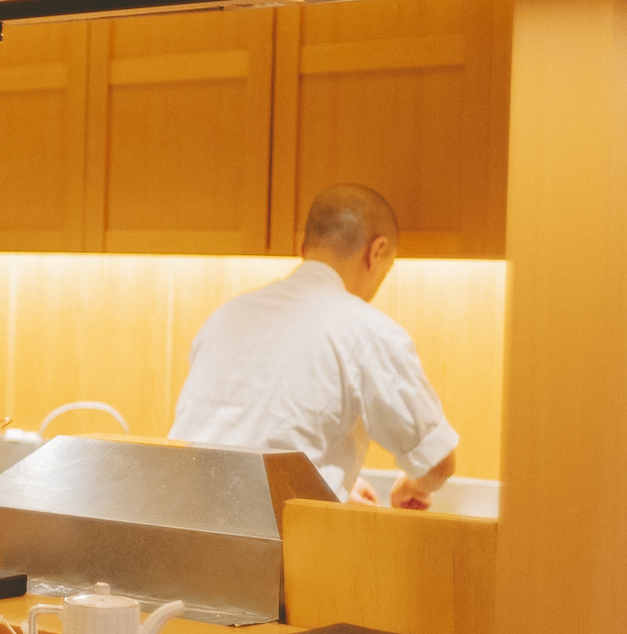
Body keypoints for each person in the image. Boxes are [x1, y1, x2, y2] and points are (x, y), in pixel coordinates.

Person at [167, 184, 457, 509]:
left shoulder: (226, 315)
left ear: (304, 248)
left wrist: (330, 484)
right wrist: (413, 485)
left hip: (176, 520)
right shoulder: (367, 330)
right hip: (271, 535)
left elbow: (244, 436)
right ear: (376, 251)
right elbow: (437, 463)